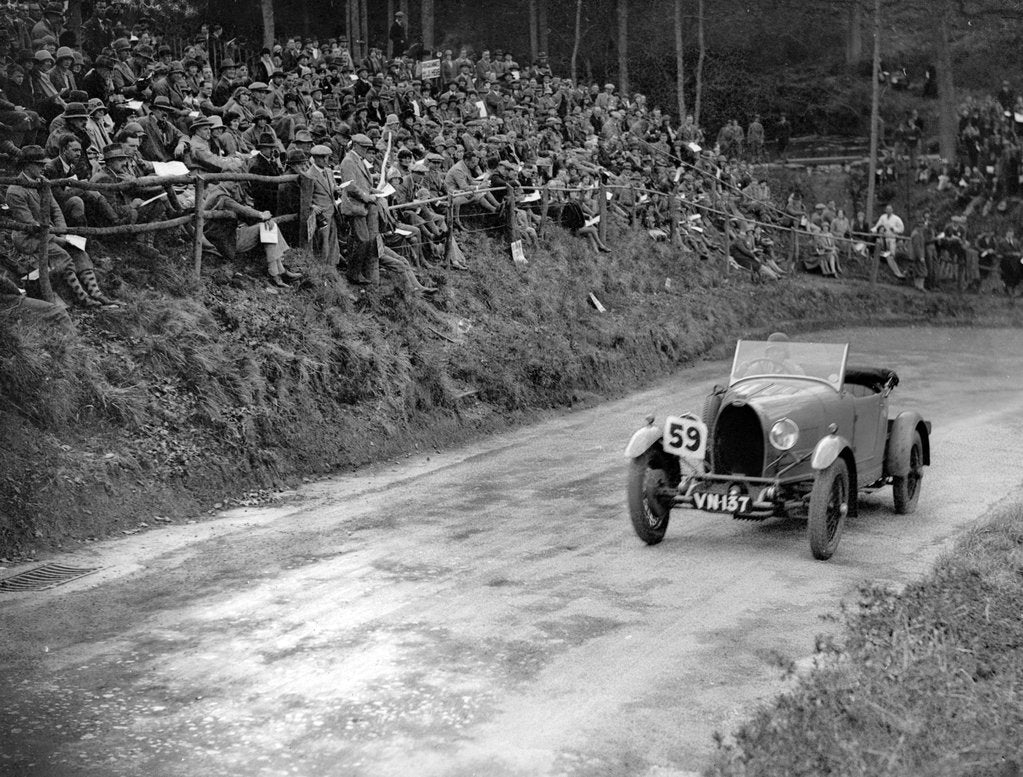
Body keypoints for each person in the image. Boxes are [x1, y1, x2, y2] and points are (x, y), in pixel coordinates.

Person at [6, 146, 117, 309]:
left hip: (49, 232)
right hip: (28, 238)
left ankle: (96, 293)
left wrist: (63, 233)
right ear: (27, 165)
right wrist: (57, 239)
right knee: (62, 254)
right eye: (39, 164)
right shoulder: (15, 191)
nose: (43, 167)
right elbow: (30, 224)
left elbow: (55, 209)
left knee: (78, 251)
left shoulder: (43, 182)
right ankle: (83, 297)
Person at [873, 204, 906, 279]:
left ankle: (898, 272)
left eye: (890, 209)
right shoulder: (883, 217)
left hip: (891, 238)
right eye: (887, 209)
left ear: (892, 210)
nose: (888, 211)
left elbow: (901, 229)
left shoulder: (896, 219)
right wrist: (873, 230)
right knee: (888, 255)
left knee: (891, 254)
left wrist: (894, 229)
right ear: (885, 210)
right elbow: (877, 225)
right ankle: (897, 273)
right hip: (883, 239)